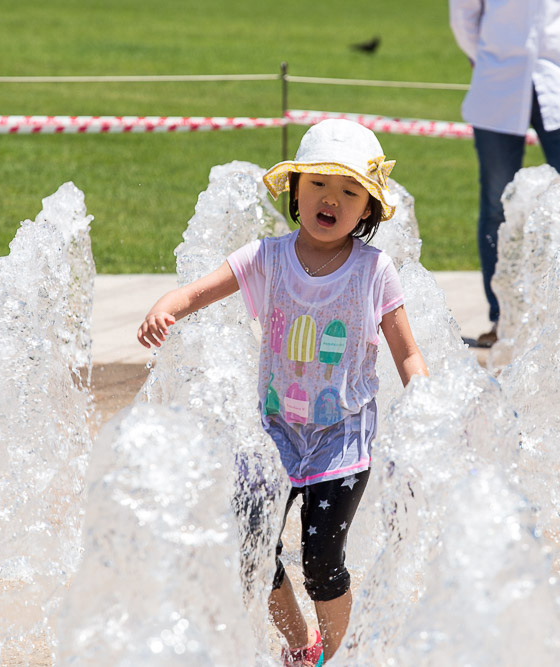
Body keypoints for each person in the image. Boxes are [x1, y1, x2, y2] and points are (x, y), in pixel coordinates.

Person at [137, 119, 429, 665]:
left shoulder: (374, 272)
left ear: (368, 207)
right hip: (275, 434)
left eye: (348, 191)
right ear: (295, 191)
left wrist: (428, 406)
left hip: (342, 440)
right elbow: (200, 290)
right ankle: (301, 646)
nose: (331, 200)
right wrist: (168, 306)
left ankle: (339, 657)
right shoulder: (267, 257)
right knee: (251, 548)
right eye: (318, 184)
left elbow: (407, 353)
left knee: (321, 560)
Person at [450, 0, 560, 346]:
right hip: (499, 79)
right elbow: (464, 14)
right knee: (496, 207)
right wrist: (491, 56)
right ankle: (503, 321)